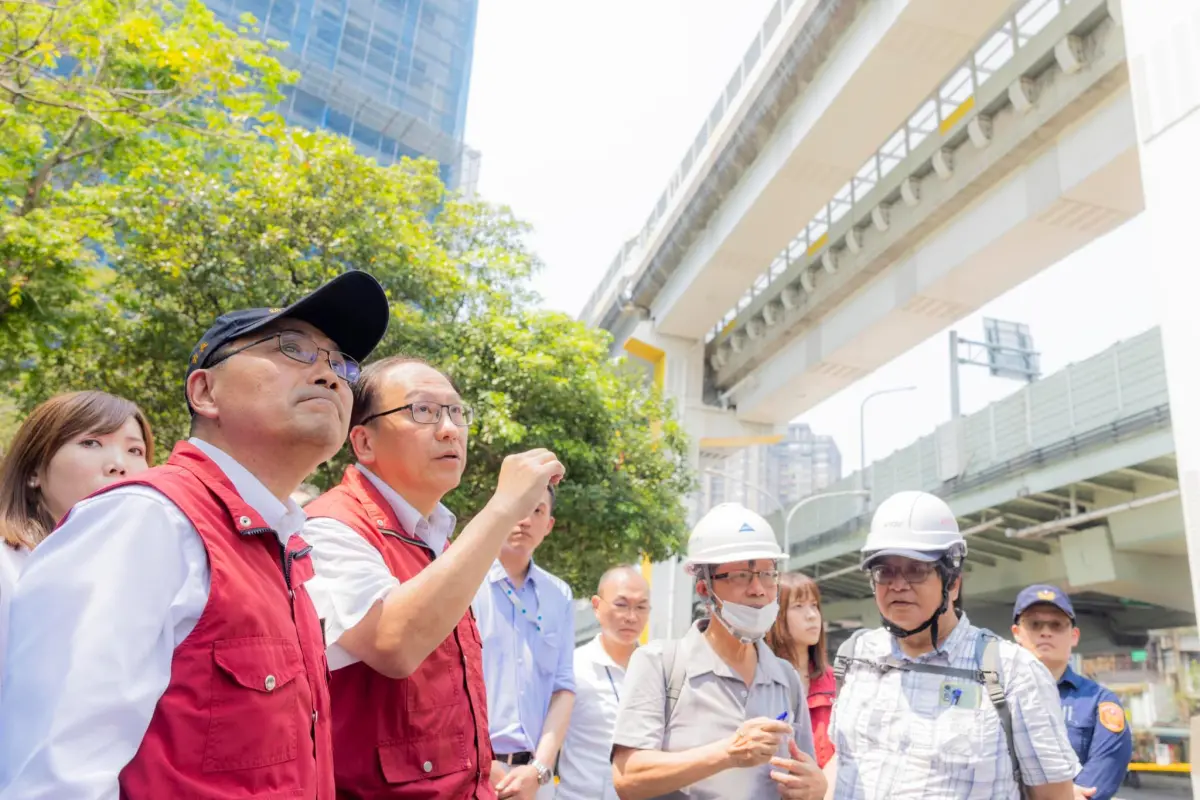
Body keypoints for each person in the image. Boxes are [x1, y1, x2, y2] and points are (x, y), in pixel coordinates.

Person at [0, 271, 390, 800]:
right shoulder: (144, 521)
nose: (329, 375)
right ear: (205, 391)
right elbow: (55, 776)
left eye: (340, 363)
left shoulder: (289, 550)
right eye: (293, 348)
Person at [302, 356, 566, 798]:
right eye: (422, 411)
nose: (449, 429)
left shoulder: (436, 539)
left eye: (457, 412)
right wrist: (502, 509)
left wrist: (478, 768)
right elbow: (394, 643)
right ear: (363, 441)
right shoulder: (329, 527)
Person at [828, 490, 1080, 799]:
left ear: (953, 581)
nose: (897, 584)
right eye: (884, 571)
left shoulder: (1014, 673)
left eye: (917, 570)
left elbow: (1054, 795)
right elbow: (845, 763)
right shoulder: (854, 657)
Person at [611, 503, 826, 800]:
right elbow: (627, 777)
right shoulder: (660, 664)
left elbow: (803, 773)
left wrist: (814, 788)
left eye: (767, 574)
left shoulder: (785, 677)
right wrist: (728, 753)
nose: (758, 589)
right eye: (740, 575)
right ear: (703, 589)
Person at [0, 391, 154, 702]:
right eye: (91, 443)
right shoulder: (9, 568)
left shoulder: (154, 572)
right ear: (33, 472)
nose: (118, 465)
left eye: (135, 450)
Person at [473, 484, 575, 800]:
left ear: (549, 526)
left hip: (535, 780)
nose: (526, 520)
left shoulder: (560, 595)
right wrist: (481, 762)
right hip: (473, 771)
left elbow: (563, 688)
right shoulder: (467, 584)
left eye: (538, 511)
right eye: (518, 508)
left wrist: (540, 769)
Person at [1012, 585, 1132, 800]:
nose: (1045, 631)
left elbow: (1103, 775)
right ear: (1017, 633)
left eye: (1057, 624)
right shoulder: (994, 696)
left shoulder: (1099, 702)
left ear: (1074, 636)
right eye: (1034, 624)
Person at [556, 564, 651, 800]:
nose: (631, 616)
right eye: (621, 605)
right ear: (597, 606)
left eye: (641, 607)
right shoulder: (572, 666)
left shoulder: (658, 670)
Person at [767, 572, 836, 768]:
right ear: (776, 615)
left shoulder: (837, 682)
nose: (812, 615)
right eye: (798, 606)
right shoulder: (760, 681)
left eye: (814, 605)